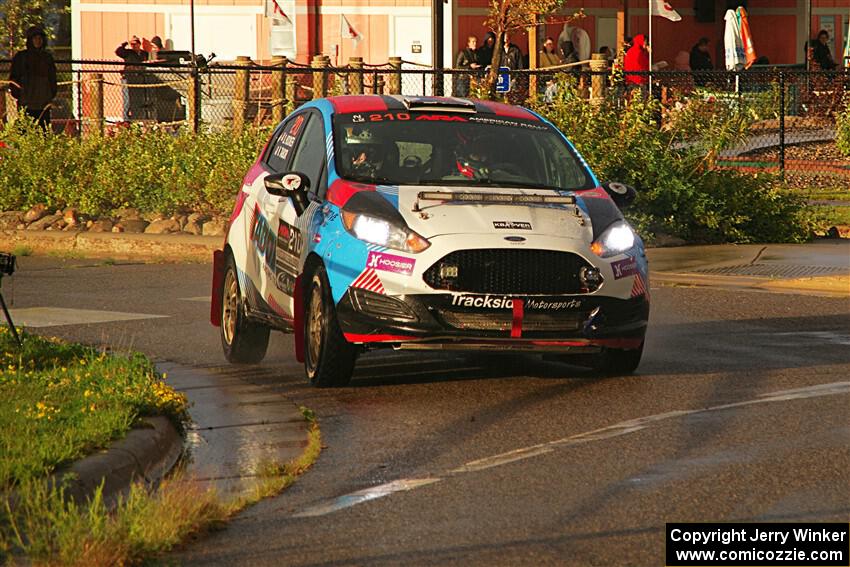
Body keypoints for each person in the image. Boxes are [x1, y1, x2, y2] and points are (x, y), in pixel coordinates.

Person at [9, 25, 58, 131]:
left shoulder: (47, 58)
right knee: (27, 129)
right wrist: (18, 93)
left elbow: (52, 78)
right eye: (35, 38)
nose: (38, 41)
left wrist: (50, 94)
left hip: (43, 102)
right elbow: (14, 77)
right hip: (27, 101)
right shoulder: (21, 57)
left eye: (40, 38)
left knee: (43, 131)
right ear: (30, 40)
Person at [115, 36, 149, 121]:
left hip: (140, 79)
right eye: (132, 44)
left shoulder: (144, 54)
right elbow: (118, 51)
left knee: (139, 100)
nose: (134, 46)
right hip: (128, 78)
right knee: (127, 100)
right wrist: (124, 45)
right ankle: (126, 120)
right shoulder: (128, 53)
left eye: (135, 44)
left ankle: (139, 118)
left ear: (139, 44)